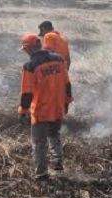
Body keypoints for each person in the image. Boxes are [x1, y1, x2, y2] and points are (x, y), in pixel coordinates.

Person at [18, 33, 73, 180]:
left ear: (28, 49)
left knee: (39, 142)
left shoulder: (30, 66)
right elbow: (67, 84)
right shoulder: (59, 60)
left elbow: (27, 93)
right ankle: (57, 162)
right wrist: (66, 102)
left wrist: (23, 111)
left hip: (41, 110)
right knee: (54, 134)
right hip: (58, 107)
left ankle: (41, 173)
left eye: (24, 49)